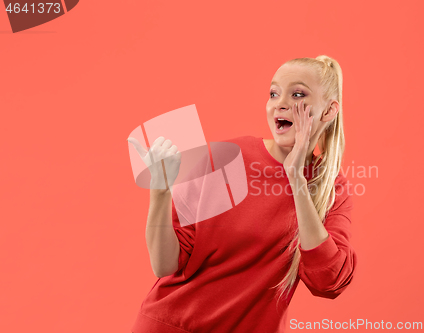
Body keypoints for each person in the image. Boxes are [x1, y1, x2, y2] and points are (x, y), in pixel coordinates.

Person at [128, 55, 357, 333]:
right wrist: (161, 191)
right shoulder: (224, 158)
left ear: (329, 111)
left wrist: (296, 179)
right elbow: (164, 265)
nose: (280, 103)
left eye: (297, 94)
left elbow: (329, 282)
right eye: (273, 93)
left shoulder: (331, 187)